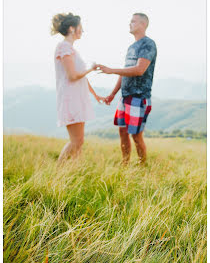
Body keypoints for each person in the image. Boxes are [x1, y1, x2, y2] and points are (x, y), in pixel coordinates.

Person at [96, 13, 157, 165]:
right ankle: (125, 166)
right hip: (125, 96)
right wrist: (112, 94)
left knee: (136, 136)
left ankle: (143, 168)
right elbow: (125, 71)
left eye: (133, 21)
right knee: (122, 132)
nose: (130, 24)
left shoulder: (148, 44)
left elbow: (139, 70)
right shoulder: (131, 47)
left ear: (143, 24)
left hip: (139, 97)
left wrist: (111, 70)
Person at [51, 12, 105, 164]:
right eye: (80, 27)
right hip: (70, 98)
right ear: (72, 29)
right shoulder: (64, 47)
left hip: (78, 98)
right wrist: (91, 68)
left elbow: (82, 79)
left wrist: (96, 95)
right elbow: (73, 76)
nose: (83, 30)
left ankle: (73, 172)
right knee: (76, 141)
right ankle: (59, 172)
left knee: (79, 141)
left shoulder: (70, 49)